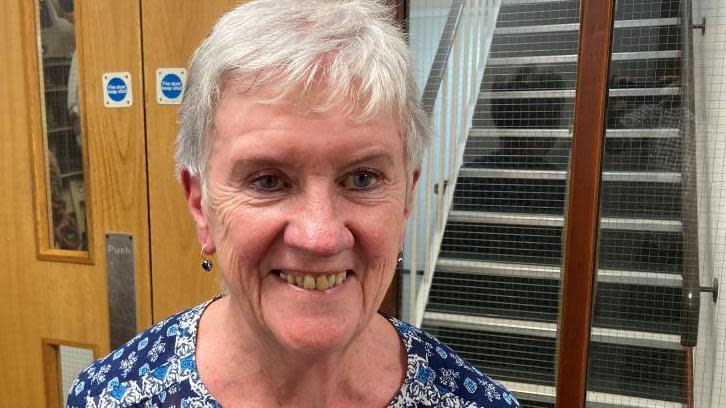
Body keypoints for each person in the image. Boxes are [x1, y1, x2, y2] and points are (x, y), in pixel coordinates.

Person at [66, 1, 520, 406]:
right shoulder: (112, 397)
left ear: (406, 199)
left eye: (362, 179)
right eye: (267, 181)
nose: (320, 236)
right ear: (201, 204)